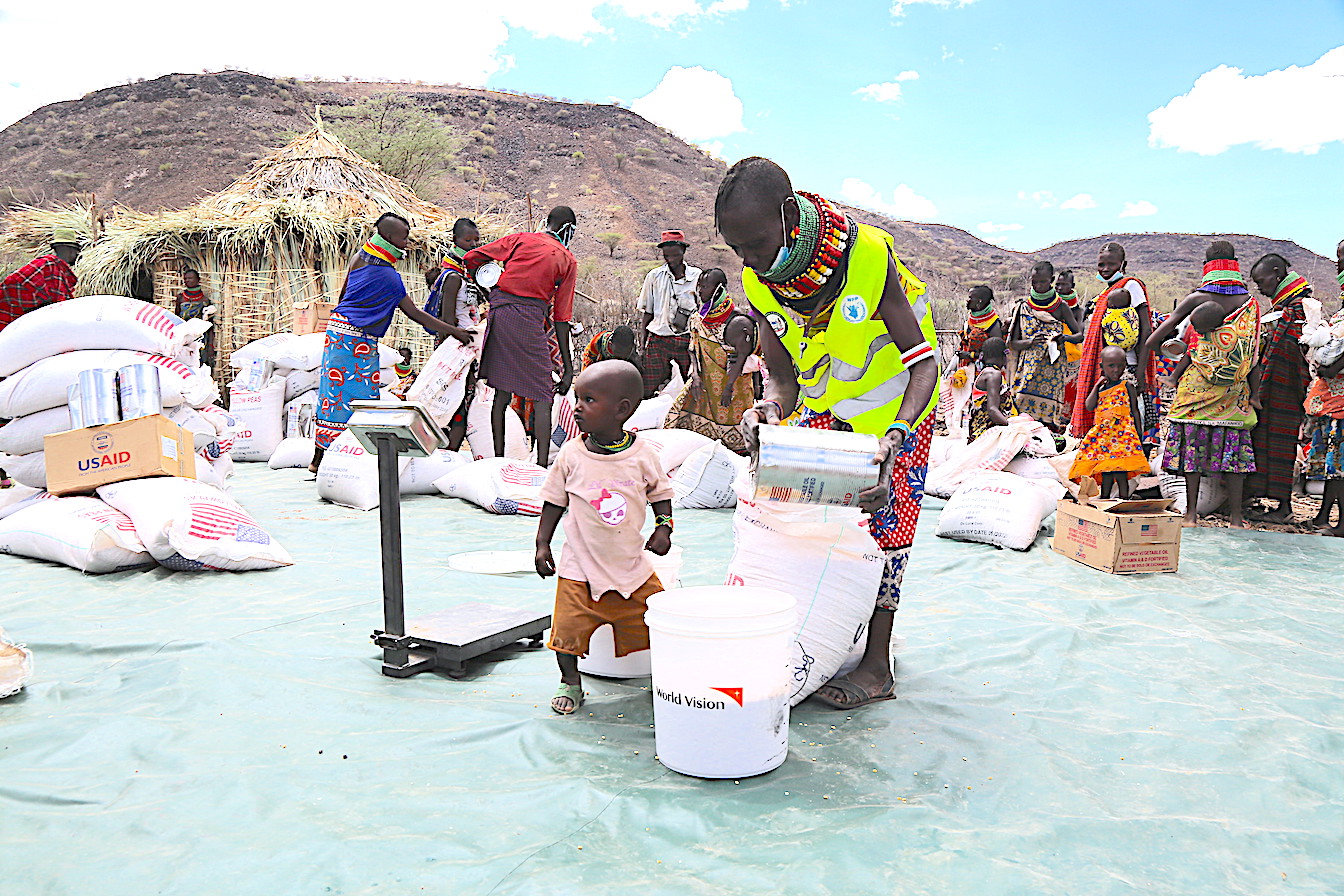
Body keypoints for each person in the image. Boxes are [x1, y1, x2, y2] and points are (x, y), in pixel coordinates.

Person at [717, 157, 939, 710]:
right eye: (737, 248)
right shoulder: (759, 280)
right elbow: (785, 379)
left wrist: (897, 434)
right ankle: (826, 626)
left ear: (790, 216)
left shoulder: (866, 257)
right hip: (830, 405)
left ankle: (877, 663)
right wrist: (767, 410)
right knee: (802, 507)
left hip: (899, 408)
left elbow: (924, 366)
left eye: (757, 242)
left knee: (886, 524)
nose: (749, 258)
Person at [534, 360, 674, 715]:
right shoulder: (571, 454)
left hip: (630, 564)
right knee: (566, 631)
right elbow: (554, 501)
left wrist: (664, 527)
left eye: (589, 400)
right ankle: (571, 682)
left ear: (622, 410)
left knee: (660, 620)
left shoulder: (642, 455)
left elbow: (661, 493)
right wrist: (541, 544)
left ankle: (672, 677)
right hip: (578, 565)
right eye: (577, 398)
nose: (577, 407)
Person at [310, 213, 460, 471]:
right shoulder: (389, 277)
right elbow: (414, 313)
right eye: (403, 237)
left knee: (332, 397)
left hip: (338, 333)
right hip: (357, 341)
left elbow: (344, 295)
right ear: (389, 238)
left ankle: (319, 461)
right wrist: (455, 332)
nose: (406, 243)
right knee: (362, 402)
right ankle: (353, 462)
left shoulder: (359, 258)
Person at [1146, 242, 1261, 528]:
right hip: (1235, 392)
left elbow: (1152, 341)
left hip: (1196, 390)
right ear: (1234, 263)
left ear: (1206, 266)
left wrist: (1168, 346)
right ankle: (1236, 519)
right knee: (1233, 456)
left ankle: (1191, 515)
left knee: (1192, 454)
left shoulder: (1197, 297)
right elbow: (1254, 354)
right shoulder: (1250, 303)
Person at [466, 206, 577, 467]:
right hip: (528, 320)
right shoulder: (566, 259)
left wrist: (489, 286)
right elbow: (561, 318)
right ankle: (539, 466)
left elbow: (473, 257)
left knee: (501, 390)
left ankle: (498, 460)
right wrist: (568, 369)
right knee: (542, 393)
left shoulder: (520, 239)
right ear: (567, 229)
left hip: (500, 314)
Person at [0, 227, 81, 489]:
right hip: (13, 336)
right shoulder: (48, 267)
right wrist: (34, 314)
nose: (75, 256)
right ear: (64, 249)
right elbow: (13, 288)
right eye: (74, 251)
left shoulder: (57, 271)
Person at [1071, 242, 1159, 446]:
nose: (1105, 269)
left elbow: (1145, 328)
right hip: (1107, 366)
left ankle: (1130, 466)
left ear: (1123, 264)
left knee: (1129, 416)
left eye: (1111, 264)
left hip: (1127, 366)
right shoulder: (1108, 291)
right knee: (1109, 419)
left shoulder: (1131, 286)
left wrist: (1140, 372)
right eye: (1101, 264)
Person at [1244, 253, 1311, 523]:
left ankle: (1284, 507)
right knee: (1264, 443)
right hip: (1272, 388)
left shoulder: (1302, 307)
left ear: (1277, 273)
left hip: (1287, 388)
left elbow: (1299, 350)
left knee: (1282, 445)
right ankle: (1264, 498)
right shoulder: (1284, 308)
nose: (1259, 288)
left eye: (1262, 281)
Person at [664, 268, 761, 454]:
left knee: (737, 435)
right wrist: (695, 375)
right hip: (704, 383)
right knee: (679, 418)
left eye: (705, 286)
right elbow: (692, 346)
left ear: (719, 288)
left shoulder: (737, 322)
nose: (700, 291)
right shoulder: (698, 317)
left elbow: (740, 358)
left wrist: (728, 387)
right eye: (699, 286)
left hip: (735, 388)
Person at [1068, 346, 1147, 498]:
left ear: (1126, 365)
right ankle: (1104, 500)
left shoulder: (1127, 386)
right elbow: (1089, 406)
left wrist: (1138, 435)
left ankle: (1124, 500)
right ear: (1102, 366)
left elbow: (1135, 411)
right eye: (1111, 365)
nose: (1116, 369)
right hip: (1104, 438)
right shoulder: (1101, 388)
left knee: (1121, 471)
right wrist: (1097, 386)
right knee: (1106, 473)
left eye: (1120, 365)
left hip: (1123, 436)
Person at [1009, 261, 1079, 432]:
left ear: (1052, 280)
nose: (1038, 286)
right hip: (1028, 370)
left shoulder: (1061, 306)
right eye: (1034, 282)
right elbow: (1012, 343)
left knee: (1049, 421)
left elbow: (1079, 336)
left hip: (1053, 371)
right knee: (1021, 411)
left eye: (1042, 282)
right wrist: (1030, 342)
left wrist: (1064, 338)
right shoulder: (1023, 307)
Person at [1303, 239, 1344, 534]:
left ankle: (1341, 525)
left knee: (1340, 465)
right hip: (1332, 399)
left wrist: (1331, 366)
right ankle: (1323, 516)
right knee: (1333, 464)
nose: (1338, 265)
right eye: (1338, 258)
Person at [638, 230, 702, 398]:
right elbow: (648, 313)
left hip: (686, 341)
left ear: (683, 251)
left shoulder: (697, 277)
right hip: (658, 340)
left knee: (687, 389)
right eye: (667, 256)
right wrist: (642, 346)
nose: (671, 260)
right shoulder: (654, 276)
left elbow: (702, 314)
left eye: (675, 255)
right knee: (649, 389)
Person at [0, 227, 80, 333]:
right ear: (70, 250)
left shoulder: (52, 266)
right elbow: (60, 306)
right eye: (76, 252)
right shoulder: (50, 266)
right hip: (13, 313)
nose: (77, 255)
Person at [966, 337, 1017, 442]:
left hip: (983, 430)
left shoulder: (987, 372)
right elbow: (992, 410)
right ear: (1003, 356)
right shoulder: (993, 374)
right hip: (986, 433)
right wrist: (1014, 428)